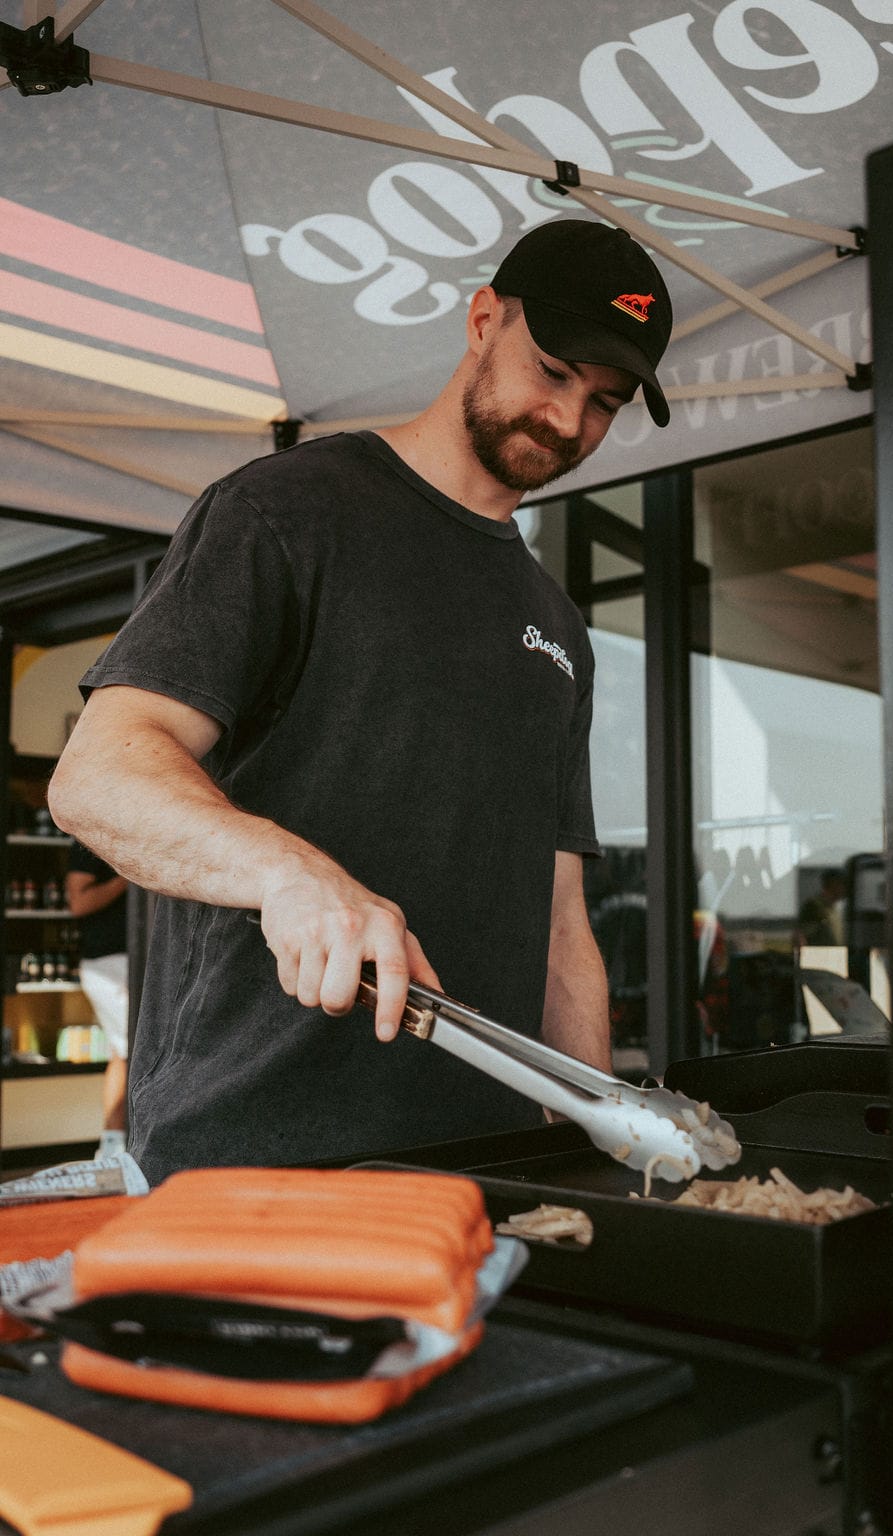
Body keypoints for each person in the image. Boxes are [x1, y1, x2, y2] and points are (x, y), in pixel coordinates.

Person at [47, 218, 674, 1184]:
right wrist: (290, 874)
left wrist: (603, 1138)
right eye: (552, 370)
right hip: (251, 1161)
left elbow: (558, 923)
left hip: (484, 1174)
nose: (567, 421)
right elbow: (98, 776)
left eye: (604, 402)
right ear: (481, 319)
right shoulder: (285, 514)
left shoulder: (558, 627)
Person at [64, 840, 130, 1156]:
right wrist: (128, 877)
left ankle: (114, 1145)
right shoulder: (91, 840)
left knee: (123, 1052)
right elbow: (79, 902)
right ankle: (114, 1145)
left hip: (128, 961)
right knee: (132, 1051)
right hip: (109, 963)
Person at [797, 867, 847, 948]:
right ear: (834, 884)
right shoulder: (814, 906)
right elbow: (801, 935)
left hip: (837, 956)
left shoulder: (837, 908)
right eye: (842, 885)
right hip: (821, 956)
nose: (845, 889)